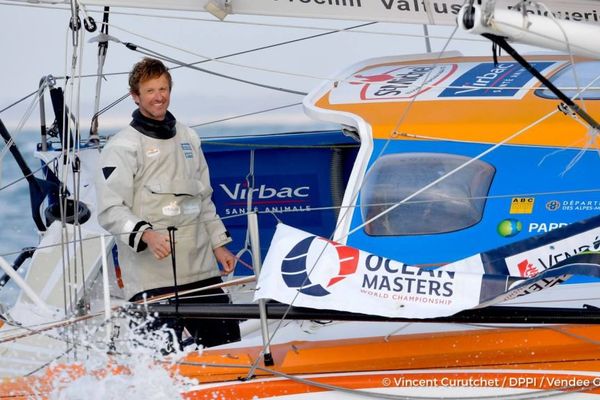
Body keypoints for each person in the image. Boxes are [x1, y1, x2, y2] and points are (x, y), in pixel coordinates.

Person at [95, 57, 240, 348]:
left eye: (163, 88)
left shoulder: (189, 137)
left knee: (230, 349)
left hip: (200, 271)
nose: (158, 96)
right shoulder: (122, 146)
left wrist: (218, 244)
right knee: (158, 365)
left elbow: (203, 197)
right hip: (151, 279)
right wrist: (146, 234)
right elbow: (110, 209)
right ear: (135, 96)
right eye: (150, 90)